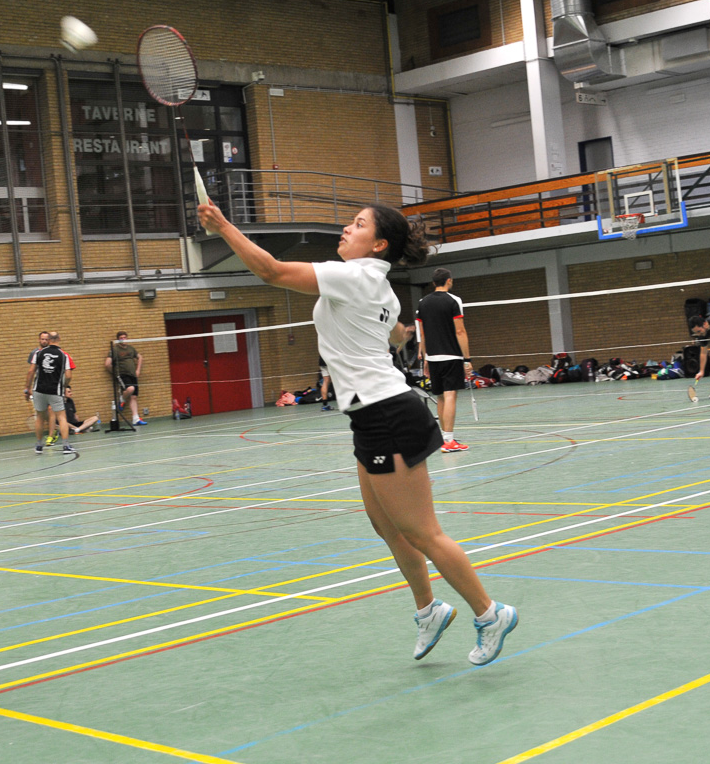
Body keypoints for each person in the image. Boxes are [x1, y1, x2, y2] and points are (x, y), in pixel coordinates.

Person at [198, 199, 517, 667]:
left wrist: (224, 226)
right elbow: (389, 332)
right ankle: (429, 610)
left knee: (423, 532)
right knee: (387, 527)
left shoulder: (356, 276)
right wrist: (399, 336)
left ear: (379, 244)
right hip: (369, 416)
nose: (346, 229)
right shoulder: (378, 288)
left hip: (389, 414)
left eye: (358, 224)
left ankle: (491, 614)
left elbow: (270, 271)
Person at [416, 267, 472, 453]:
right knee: (450, 395)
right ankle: (449, 441)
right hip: (451, 355)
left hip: (432, 357)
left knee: (440, 396)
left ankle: (445, 439)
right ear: (449, 281)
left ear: (434, 283)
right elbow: (460, 331)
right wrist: (467, 359)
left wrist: (425, 358)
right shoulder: (454, 300)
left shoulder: (422, 303)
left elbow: (423, 333)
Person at [25, 331, 74, 454]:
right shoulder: (64, 355)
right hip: (55, 390)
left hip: (39, 390)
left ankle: (38, 446)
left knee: (40, 417)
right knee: (61, 417)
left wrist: (27, 388)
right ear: (59, 339)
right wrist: (64, 386)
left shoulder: (38, 353)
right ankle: (66, 446)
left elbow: (31, 371)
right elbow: (68, 375)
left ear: (49, 340)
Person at [105, 331, 146, 426]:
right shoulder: (115, 350)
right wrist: (116, 374)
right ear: (118, 340)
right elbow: (107, 364)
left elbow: (140, 357)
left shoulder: (131, 348)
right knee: (130, 389)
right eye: (121, 338)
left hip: (133, 375)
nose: (123, 339)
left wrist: (138, 370)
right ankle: (122, 399)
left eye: (125, 337)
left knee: (134, 396)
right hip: (123, 375)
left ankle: (135, 418)